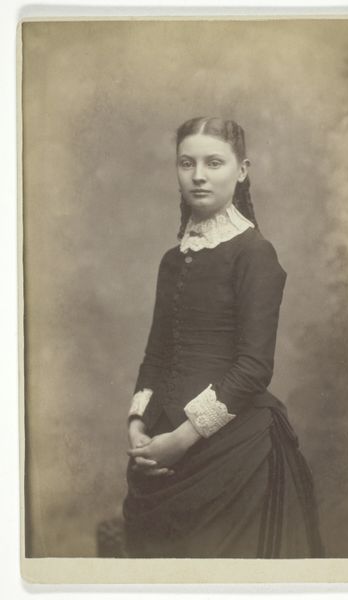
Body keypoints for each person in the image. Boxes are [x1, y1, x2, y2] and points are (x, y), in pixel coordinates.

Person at [122, 116, 324, 559]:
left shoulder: (254, 253)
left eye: (214, 163)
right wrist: (138, 424)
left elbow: (253, 368)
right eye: (187, 163)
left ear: (242, 170)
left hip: (236, 453)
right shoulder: (172, 260)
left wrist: (181, 440)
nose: (198, 175)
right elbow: (156, 354)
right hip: (161, 443)